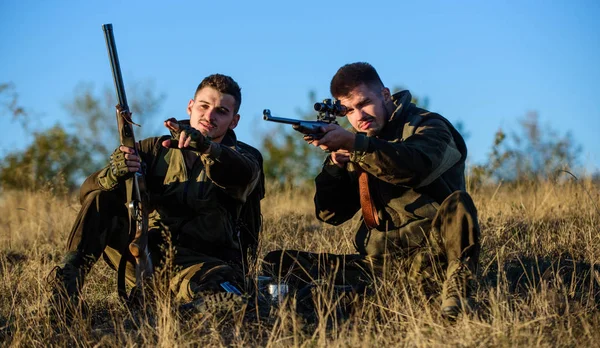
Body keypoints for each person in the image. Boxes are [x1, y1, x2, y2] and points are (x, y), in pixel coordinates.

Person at [263, 62, 480, 319]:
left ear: (385, 95)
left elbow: (414, 167)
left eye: (365, 103)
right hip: (377, 263)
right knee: (279, 263)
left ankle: (455, 295)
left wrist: (356, 145)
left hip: (432, 256)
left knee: (459, 204)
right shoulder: (354, 142)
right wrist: (336, 165)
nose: (359, 116)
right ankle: (337, 301)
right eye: (349, 110)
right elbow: (331, 214)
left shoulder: (428, 126)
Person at [47, 74, 263, 317]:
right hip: (143, 257)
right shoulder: (154, 149)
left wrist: (206, 147)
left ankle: (175, 316)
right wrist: (114, 173)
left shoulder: (245, 156)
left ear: (234, 121)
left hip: (202, 266)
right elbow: (88, 192)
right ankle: (64, 293)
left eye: (221, 111)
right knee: (101, 197)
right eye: (204, 106)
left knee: (230, 295)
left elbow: (241, 174)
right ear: (190, 106)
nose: (209, 116)